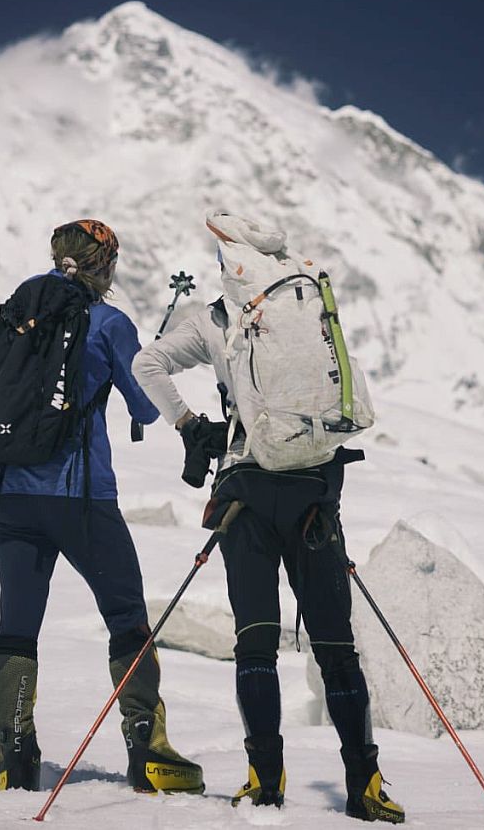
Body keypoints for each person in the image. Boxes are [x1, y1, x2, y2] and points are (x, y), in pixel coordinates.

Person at [132, 212, 405, 823]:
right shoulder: (306, 304)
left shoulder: (210, 320)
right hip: (313, 491)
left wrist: (190, 426)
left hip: (246, 496)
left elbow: (145, 365)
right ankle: (366, 782)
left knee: (255, 644)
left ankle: (264, 777)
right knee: (338, 649)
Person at [0, 219, 204, 795]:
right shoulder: (108, 322)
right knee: (126, 616)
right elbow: (147, 409)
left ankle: (16, 754)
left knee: (17, 628)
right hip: (81, 500)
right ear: (106, 264)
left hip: (12, 497)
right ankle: (148, 751)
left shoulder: (20, 310)